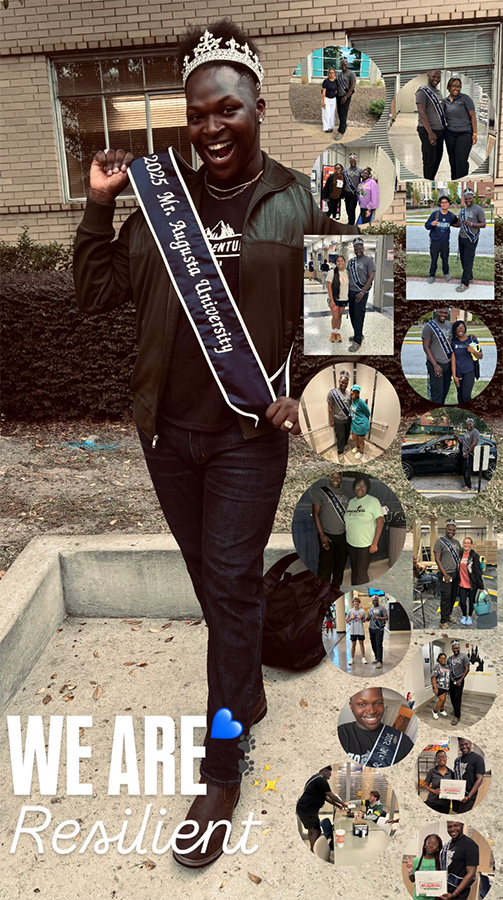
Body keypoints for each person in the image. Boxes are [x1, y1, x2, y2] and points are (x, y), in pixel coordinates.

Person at [73, 18, 357, 870]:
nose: (210, 129)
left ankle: (222, 762)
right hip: (168, 439)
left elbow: (348, 314)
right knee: (215, 586)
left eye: (226, 111)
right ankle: (247, 690)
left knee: (229, 585)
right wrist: (97, 201)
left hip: (244, 441)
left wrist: (305, 393)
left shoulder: (301, 199)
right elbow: (93, 294)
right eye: (196, 115)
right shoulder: (162, 201)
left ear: (259, 108)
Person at [338, 687, 415, 766]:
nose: (371, 711)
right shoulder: (340, 733)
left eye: (378, 703)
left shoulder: (402, 742)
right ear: (351, 706)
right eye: (362, 704)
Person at [296, 766, 348, 852]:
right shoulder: (321, 780)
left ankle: (312, 848)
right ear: (324, 771)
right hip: (308, 810)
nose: (329, 777)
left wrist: (337, 805)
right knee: (316, 831)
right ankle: (313, 850)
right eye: (328, 775)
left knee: (311, 829)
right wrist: (343, 804)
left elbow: (326, 798)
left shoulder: (314, 778)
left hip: (303, 808)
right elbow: (332, 796)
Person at [310, 471, 349, 586]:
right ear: (328, 477)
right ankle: (321, 594)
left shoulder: (347, 494)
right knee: (324, 568)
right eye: (333, 476)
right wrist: (322, 535)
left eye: (338, 476)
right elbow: (315, 513)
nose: (336, 479)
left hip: (343, 536)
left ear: (342, 478)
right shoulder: (320, 492)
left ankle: (334, 592)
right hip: (327, 535)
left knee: (339, 568)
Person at [345, 474, 384, 586]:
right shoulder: (351, 502)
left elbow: (380, 522)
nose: (361, 488)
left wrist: (375, 543)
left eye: (364, 486)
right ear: (354, 487)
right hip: (351, 543)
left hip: (365, 545)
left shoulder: (373, 501)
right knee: (354, 571)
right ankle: (354, 587)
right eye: (358, 485)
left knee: (361, 573)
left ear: (367, 488)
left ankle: (362, 591)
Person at [443, 77, 477, 180]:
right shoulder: (445, 101)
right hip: (450, 134)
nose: (456, 89)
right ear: (449, 87)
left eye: (458, 87)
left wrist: (474, 134)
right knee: (452, 160)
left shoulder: (465, 99)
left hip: (465, 133)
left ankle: (462, 179)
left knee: (461, 160)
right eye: (454, 86)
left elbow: (473, 116)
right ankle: (454, 179)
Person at [347, 237, 375, 352]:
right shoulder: (351, 262)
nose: (358, 249)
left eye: (360, 247)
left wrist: (362, 292)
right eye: (356, 248)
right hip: (351, 292)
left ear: (363, 247)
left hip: (361, 293)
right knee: (353, 315)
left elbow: (371, 277)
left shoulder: (368, 260)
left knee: (358, 316)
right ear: (353, 248)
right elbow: (347, 276)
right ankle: (358, 334)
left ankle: (357, 342)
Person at [416, 69, 445, 179]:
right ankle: (428, 178)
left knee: (438, 157)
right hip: (428, 131)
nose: (436, 79)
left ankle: (431, 177)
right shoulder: (422, 91)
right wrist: (430, 133)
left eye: (438, 77)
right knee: (430, 159)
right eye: (433, 77)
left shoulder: (437, 91)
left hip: (439, 130)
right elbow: (422, 113)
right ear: (428, 75)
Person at [439, 820, 479, 900]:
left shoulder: (470, 845)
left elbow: (470, 874)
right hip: (445, 889)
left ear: (462, 825)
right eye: (449, 827)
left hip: (458, 893)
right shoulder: (448, 844)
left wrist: (454, 894)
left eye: (456, 825)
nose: (452, 829)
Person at [456, 189, 486, 292]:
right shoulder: (463, 210)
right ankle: (470, 276)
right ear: (464, 199)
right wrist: (448, 223)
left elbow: (483, 224)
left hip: (471, 239)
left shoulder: (478, 209)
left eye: (470, 198)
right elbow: (459, 223)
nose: (468, 200)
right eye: (466, 198)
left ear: (473, 198)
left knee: (468, 259)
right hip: (461, 237)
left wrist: (471, 224)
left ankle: (465, 283)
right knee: (463, 259)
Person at [422, 308, 453, 405]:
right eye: (441, 312)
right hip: (435, 365)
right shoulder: (429, 326)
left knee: (445, 391)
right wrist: (435, 365)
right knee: (437, 393)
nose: (443, 314)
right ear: (436, 312)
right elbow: (426, 346)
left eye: (445, 313)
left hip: (448, 365)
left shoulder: (450, 327)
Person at [434, 520, 461, 628]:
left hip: (455, 574)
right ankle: (443, 621)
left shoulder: (457, 542)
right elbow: (437, 559)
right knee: (446, 597)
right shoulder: (440, 542)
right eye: (450, 529)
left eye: (453, 530)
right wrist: (445, 574)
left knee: (453, 597)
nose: (452, 531)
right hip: (446, 575)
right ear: (445, 529)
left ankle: (448, 614)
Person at [425, 196, 459, 284]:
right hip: (434, 242)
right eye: (442, 202)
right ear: (440, 204)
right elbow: (426, 226)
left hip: (445, 242)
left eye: (446, 202)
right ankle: (432, 275)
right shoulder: (435, 214)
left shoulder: (451, 216)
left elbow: (457, 222)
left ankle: (446, 273)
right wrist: (432, 223)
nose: (444, 204)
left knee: (445, 259)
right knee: (434, 259)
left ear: (449, 204)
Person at [450, 320, 483, 404]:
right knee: (460, 395)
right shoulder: (454, 342)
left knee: (466, 396)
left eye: (462, 327)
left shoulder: (472, 340)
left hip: (469, 371)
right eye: (457, 328)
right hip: (458, 372)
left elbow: (481, 356)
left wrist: (473, 351)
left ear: (465, 328)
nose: (460, 330)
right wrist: (454, 376)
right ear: (455, 330)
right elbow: (453, 360)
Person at [451, 738, 485, 812]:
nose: (464, 747)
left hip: (468, 794)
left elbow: (479, 779)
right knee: (455, 811)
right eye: (461, 745)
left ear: (470, 743)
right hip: (456, 793)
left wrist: (469, 797)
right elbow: (455, 776)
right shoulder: (457, 760)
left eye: (466, 744)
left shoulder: (478, 758)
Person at [406, 833, 444, 900]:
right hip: (418, 898)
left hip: (434, 898)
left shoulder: (440, 862)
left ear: (438, 848)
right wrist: (410, 872)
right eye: (429, 843)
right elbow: (412, 880)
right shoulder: (416, 861)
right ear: (425, 845)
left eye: (434, 844)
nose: (430, 846)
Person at [458, 536, 484, 625]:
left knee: (471, 601)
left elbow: (477, 571)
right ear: (463, 544)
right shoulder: (460, 555)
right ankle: (464, 615)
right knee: (462, 601)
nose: (466, 544)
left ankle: (469, 616)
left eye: (468, 543)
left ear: (471, 545)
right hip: (462, 583)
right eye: (465, 543)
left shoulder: (475, 556)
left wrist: (481, 586)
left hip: (472, 584)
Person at [327, 369, 351, 459]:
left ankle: (345, 445)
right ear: (339, 381)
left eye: (346, 383)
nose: (343, 384)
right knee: (340, 437)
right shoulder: (332, 393)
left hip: (348, 419)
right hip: (338, 419)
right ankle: (340, 453)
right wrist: (331, 420)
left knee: (347, 434)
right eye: (342, 382)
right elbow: (330, 408)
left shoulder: (349, 393)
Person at [423, 749, 455, 814]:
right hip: (432, 802)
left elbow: (454, 786)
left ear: (446, 758)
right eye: (439, 757)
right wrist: (434, 791)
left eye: (443, 756)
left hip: (445, 803)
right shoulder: (432, 771)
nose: (441, 759)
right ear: (436, 759)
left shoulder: (451, 772)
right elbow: (425, 785)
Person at [327, 255, 349, 344]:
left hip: (344, 299)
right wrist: (331, 300)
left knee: (339, 317)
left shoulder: (347, 272)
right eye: (338, 261)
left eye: (342, 261)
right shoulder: (331, 273)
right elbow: (329, 287)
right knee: (335, 317)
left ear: (344, 262)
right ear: (336, 263)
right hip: (334, 299)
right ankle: (333, 333)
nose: (340, 263)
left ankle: (338, 333)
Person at [448, 641, 470, 726]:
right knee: (452, 697)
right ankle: (455, 710)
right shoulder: (450, 658)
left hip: (459, 680)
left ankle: (457, 716)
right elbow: (448, 670)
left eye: (457, 648)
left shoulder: (464, 656)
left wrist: (460, 680)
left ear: (459, 648)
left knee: (457, 698)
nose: (455, 649)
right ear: (452, 649)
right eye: (454, 648)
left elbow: (467, 669)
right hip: (451, 680)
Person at [334, 57, 356, 140]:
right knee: (339, 113)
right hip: (338, 96)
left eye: (345, 64)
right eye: (342, 64)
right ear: (340, 65)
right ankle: (343, 126)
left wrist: (346, 96)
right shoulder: (339, 74)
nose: (343, 66)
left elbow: (353, 86)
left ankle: (341, 131)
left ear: (347, 64)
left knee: (343, 113)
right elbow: (335, 84)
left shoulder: (351, 73)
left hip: (345, 97)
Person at [458, 417, 480, 492]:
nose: (468, 425)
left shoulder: (475, 432)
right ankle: (467, 483)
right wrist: (457, 437)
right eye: (467, 424)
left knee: (467, 470)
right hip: (464, 454)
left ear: (473, 424)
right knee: (464, 470)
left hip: (469, 454)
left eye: (470, 424)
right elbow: (463, 443)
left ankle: (468, 486)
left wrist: (467, 453)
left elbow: (474, 443)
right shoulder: (467, 432)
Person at [349, 384, 370, 460]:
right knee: (354, 438)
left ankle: (361, 452)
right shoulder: (352, 401)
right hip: (354, 424)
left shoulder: (361, 402)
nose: (354, 393)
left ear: (359, 393)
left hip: (361, 425)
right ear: (350, 391)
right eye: (353, 391)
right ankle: (357, 447)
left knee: (361, 440)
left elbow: (368, 413)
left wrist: (363, 421)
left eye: (357, 392)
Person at [366, 594, 388, 669]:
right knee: (373, 644)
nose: (375, 601)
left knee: (379, 644)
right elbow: (368, 619)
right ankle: (376, 658)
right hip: (371, 629)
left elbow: (386, 617)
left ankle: (380, 661)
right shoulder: (370, 609)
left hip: (379, 629)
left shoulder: (382, 608)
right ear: (372, 601)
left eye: (376, 600)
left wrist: (378, 617)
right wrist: (367, 617)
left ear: (378, 601)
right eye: (374, 600)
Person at [342, 153, 363, 225]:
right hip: (346, 192)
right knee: (347, 209)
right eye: (351, 161)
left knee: (352, 208)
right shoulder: (345, 170)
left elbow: (365, 180)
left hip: (354, 193)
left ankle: (351, 223)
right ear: (349, 161)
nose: (353, 162)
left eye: (354, 161)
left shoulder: (360, 170)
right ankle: (349, 221)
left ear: (356, 161)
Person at [346, 596, 367, 666]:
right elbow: (346, 621)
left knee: (361, 644)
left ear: (359, 603)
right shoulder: (350, 611)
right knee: (353, 645)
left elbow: (364, 621)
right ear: (353, 603)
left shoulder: (362, 611)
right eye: (355, 602)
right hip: (353, 631)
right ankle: (352, 658)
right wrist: (351, 618)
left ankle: (363, 658)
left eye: (357, 602)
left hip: (360, 631)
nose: (356, 603)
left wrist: (361, 618)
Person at [431, 651, 451, 719]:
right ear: (438, 659)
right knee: (442, 699)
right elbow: (433, 677)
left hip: (446, 686)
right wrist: (435, 688)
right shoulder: (437, 666)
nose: (443, 660)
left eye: (444, 658)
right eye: (441, 658)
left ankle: (442, 710)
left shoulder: (447, 666)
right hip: (439, 686)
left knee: (444, 699)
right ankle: (435, 711)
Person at [321, 67, 338, 132]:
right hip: (327, 99)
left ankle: (331, 127)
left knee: (332, 114)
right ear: (328, 74)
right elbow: (323, 91)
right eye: (330, 73)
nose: (331, 74)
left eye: (333, 73)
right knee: (326, 114)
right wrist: (323, 101)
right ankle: (326, 128)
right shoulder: (326, 81)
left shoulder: (335, 81)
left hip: (333, 99)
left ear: (335, 74)